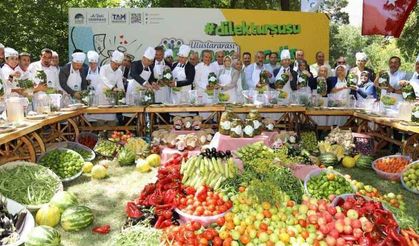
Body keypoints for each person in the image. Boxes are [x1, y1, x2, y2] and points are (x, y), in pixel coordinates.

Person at [90, 50, 125, 122]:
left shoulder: (119, 72)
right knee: (100, 119)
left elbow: (120, 83)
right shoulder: (104, 68)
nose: (117, 66)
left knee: (111, 118)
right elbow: (103, 79)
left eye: (119, 65)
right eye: (115, 64)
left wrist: (122, 92)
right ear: (111, 61)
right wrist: (112, 88)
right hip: (101, 94)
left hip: (111, 97)